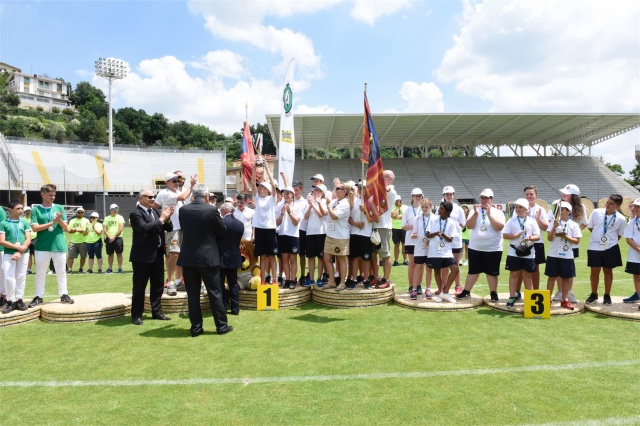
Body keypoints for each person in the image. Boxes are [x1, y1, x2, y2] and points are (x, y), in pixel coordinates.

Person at [178, 184, 232, 337]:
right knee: (215, 293)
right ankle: (221, 326)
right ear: (207, 196)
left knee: (193, 295)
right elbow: (221, 230)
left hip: (189, 257)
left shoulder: (183, 210)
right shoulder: (211, 210)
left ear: (193, 196)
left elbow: (184, 228)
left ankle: (196, 328)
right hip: (208, 257)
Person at [129, 190, 174, 325]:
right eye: (149, 197)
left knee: (158, 286)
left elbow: (169, 228)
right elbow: (144, 228)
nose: (153, 199)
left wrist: (168, 218)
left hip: (158, 255)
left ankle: (157, 312)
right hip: (142, 257)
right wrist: (161, 219)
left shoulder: (155, 212)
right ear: (141, 198)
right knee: (139, 287)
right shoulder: (136, 213)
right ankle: (137, 315)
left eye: (154, 197)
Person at [28, 184, 74, 307]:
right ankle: (38, 296)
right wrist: (52, 222)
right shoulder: (35, 210)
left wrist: (58, 221)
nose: (53, 197)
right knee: (40, 272)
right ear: (42, 195)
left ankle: (64, 294)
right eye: (50, 195)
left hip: (59, 245)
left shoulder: (59, 207)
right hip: (42, 246)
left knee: (61, 272)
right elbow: (35, 228)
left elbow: (66, 227)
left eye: (54, 195)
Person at [456, 188, 505, 301]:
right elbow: (469, 226)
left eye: (486, 198)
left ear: (491, 199)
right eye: (481, 198)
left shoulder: (498, 212)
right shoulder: (474, 211)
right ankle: (466, 291)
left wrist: (489, 214)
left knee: (492, 273)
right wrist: (475, 214)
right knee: (473, 271)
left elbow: (499, 227)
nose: (483, 200)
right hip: (475, 247)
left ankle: (493, 293)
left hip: (493, 248)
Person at [154, 171, 197, 295]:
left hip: (182, 227)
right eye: (174, 181)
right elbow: (183, 198)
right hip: (173, 227)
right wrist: (192, 186)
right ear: (167, 182)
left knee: (180, 255)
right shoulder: (165, 193)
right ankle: (171, 282)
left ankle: (178, 281)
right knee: (173, 254)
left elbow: (156, 205)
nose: (177, 183)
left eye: (178, 181)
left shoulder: (174, 192)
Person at [548, 184, 588, 302]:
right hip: (556, 242)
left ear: (574, 195)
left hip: (570, 244)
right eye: (563, 192)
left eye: (567, 192)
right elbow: (550, 219)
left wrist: (574, 232)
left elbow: (585, 222)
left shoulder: (580, 206)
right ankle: (560, 291)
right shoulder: (556, 203)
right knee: (557, 269)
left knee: (568, 268)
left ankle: (568, 292)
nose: (563, 194)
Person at [584, 194, 626, 305]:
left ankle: (607, 295)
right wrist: (598, 238)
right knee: (594, 271)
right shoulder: (596, 212)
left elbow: (619, 235)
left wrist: (609, 241)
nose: (608, 205)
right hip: (594, 246)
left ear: (618, 206)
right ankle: (594, 294)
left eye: (611, 204)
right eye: (608, 202)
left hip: (611, 247)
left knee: (608, 271)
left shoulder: (621, 218)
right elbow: (590, 227)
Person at [502, 198, 541, 308]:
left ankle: (529, 299)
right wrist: (515, 236)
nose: (518, 209)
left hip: (529, 252)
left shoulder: (532, 221)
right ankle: (511, 296)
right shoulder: (511, 220)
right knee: (514, 274)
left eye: (521, 207)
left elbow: (537, 236)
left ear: (526, 209)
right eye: (517, 207)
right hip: (514, 251)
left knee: (527, 275)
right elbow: (504, 235)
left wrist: (530, 238)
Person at [545, 201, 582, 310]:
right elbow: (549, 238)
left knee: (566, 278)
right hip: (553, 254)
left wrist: (565, 237)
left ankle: (564, 299)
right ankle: (547, 299)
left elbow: (576, 241)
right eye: (559, 209)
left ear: (569, 211)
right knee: (551, 277)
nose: (560, 212)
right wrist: (553, 228)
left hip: (567, 255)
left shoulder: (574, 225)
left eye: (563, 209)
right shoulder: (553, 223)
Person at [0, 201, 31, 313]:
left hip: (23, 253)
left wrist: (20, 251)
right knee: (8, 277)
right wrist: (17, 248)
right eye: (18, 208)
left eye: (21, 208)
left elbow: (28, 239)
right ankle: (10, 301)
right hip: (8, 253)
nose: (21, 211)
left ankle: (19, 299)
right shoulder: (3, 223)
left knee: (21, 276)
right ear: (10, 209)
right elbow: (2, 241)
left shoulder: (24, 222)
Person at [320, 181, 352, 290]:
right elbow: (325, 212)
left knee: (341, 259)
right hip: (330, 234)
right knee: (327, 257)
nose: (336, 190)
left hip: (340, 236)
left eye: (338, 188)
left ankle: (342, 282)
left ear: (344, 191)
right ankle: (332, 281)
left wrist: (328, 205)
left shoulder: (345, 204)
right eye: (336, 188)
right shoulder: (335, 201)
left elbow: (334, 216)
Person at [426, 201, 460, 303]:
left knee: (455, 269)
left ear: (447, 211)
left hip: (446, 252)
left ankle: (445, 292)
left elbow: (450, 239)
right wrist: (436, 233)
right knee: (437, 271)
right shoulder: (432, 220)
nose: (439, 210)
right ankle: (441, 292)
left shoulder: (451, 223)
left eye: (441, 209)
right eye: (439, 208)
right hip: (434, 250)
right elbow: (428, 235)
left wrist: (443, 235)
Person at [251, 159, 278, 284]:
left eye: (262, 187)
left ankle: (274, 279)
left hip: (270, 229)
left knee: (271, 256)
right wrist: (254, 168)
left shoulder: (272, 199)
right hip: (259, 229)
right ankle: (262, 280)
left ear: (267, 190)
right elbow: (252, 184)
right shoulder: (257, 199)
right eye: (259, 187)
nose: (260, 189)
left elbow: (273, 185)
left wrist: (267, 168)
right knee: (262, 256)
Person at [370, 170, 398, 289]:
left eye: (382, 177)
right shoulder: (380, 191)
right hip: (375, 226)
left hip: (383, 226)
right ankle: (376, 276)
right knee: (374, 253)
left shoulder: (391, 190)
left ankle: (386, 279)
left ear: (389, 179)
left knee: (385, 254)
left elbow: (386, 189)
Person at [276, 180, 303, 290]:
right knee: (285, 258)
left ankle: (293, 279)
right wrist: (282, 213)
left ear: (292, 195)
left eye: (288, 193)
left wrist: (289, 212)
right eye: (284, 193)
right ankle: (287, 279)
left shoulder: (296, 205)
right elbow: (277, 222)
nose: (286, 195)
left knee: (293, 259)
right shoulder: (279, 206)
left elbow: (296, 222)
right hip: (282, 234)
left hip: (293, 235)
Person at [218, 202, 244, 315]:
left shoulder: (221, 222)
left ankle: (223, 306)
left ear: (224, 210)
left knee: (220, 283)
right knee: (233, 283)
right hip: (234, 257)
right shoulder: (240, 224)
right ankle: (235, 307)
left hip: (221, 257)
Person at [441, 187, 466, 294]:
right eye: (447, 194)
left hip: (455, 241)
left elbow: (463, 223)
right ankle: (443, 286)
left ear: (454, 195)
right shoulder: (440, 208)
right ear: (443, 196)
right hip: (444, 241)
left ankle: (458, 286)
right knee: (444, 265)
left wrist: (456, 228)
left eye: (450, 194)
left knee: (455, 264)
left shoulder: (458, 209)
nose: (449, 196)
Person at [347, 182, 372, 289]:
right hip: (354, 233)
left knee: (366, 258)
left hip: (366, 234)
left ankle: (366, 279)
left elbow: (376, 218)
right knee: (354, 258)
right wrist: (356, 224)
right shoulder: (353, 202)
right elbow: (349, 218)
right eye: (360, 188)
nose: (361, 190)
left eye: (363, 188)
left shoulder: (371, 202)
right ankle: (353, 279)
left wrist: (366, 211)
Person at [410, 198, 435, 299]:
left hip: (430, 247)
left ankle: (428, 288)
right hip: (420, 247)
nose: (424, 209)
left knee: (429, 268)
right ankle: (414, 289)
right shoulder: (417, 218)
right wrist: (414, 235)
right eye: (423, 207)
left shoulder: (435, 218)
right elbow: (414, 232)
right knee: (418, 267)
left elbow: (436, 233)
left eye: (426, 207)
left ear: (431, 207)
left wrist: (429, 240)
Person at [303, 183, 328, 287]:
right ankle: (311, 278)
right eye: (314, 190)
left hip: (321, 232)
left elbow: (321, 214)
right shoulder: (310, 202)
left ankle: (319, 278)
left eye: (318, 190)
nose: (315, 192)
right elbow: (305, 217)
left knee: (320, 257)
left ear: (322, 193)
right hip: (310, 232)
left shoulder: (324, 201)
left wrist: (313, 203)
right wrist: (310, 205)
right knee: (311, 257)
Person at [403, 188, 423, 294]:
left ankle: (419, 285)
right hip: (410, 241)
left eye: (419, 195)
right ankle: (411, 286)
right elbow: (403, 226)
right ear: (412, 197)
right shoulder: (408, 210)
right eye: (416, 195)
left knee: (420, 264)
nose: (418, 197)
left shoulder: (424, 208)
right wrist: (414, 226)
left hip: (421, 241)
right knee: (412, 264)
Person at [622, 198, 640, 307]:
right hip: (635, 254)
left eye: (638, 207)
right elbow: (628, 239)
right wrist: (638, 249)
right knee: (637, 276)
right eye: (635, 206)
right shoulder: (632, 222)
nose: (635, 208)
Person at [66, 207, 89, 273]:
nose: (80, 214)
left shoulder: (86, 220)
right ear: (76, 213)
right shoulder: (72, 221)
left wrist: (76, 229)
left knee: (83, 256)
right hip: (73, 241)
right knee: (70, 256)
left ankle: (81, 268)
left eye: (81, 213)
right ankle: (69, 269)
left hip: (83, 241)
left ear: (83, 213)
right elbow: (69, 230)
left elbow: (86, 230)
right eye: (79, 212)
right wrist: (71, 231)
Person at [103, 203, 125, 274]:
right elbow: (105, 229)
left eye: (117, 209)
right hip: (109, 238)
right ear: (110, 210)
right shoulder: (106, 218)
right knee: (110, 254)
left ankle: (120, 268)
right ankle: (110, 268)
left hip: (118, 238)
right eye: (114, 209)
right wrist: (109, 237)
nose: (116, 210)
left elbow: (121, 228)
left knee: (119, 253)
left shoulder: (120, 217)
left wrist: (114, 237)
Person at [391, 196, 407, 266]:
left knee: (404, 244)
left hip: (403, 228)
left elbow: (405, 217)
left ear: (401, 200)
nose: (397, 202)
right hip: (395, 228)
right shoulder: (392, 207)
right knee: (396, 245)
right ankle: (396, 260)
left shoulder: (406, 207)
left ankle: (405, 260)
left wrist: (396, 217)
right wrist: (398, 208)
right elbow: (393, 216)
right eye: (396, 200)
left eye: (399, 200)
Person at [23, 206, 36, 275]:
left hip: (35, 238)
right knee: (28, 255)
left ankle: (38, 269)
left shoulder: (34, 219)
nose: (28, 212)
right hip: (26, 239)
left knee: (36, 255)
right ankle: (29, 269)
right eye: (26, 211)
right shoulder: (22, 220)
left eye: (29, 211)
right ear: (24, 212)